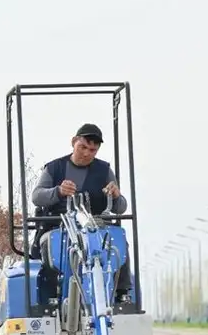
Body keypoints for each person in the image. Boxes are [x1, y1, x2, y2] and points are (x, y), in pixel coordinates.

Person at [30, 123, 132, 297]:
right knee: (52, 244)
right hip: (58, 228)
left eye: (92, 150)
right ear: (73, 142)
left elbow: (120, 208)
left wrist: (115, 196)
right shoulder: (54, 168)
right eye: (82, 147)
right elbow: (37, 196)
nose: (86, 154)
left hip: (95, 229)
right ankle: (52, 295)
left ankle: (120, 293)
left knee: (117, 239)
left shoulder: (104, 171)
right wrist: (58, 191)